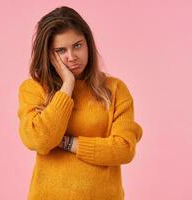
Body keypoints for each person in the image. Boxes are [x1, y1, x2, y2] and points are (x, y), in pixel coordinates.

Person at [17, 6, 143, 200]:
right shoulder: (34, 89)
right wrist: (67, 85)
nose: (72, 56)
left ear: (88, 44)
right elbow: (39, 140)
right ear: (49, 55)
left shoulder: (115, 89)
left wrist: (66, 142)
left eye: (77, 45)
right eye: (60, 50)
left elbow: (124, 149)